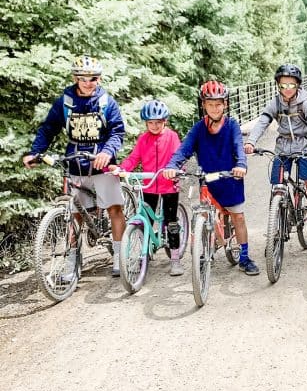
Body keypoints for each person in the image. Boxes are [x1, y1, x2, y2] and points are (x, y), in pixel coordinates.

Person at [22, 55, 126, 278]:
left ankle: (119, 257)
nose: (89, 83)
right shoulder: (65, 102)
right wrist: (35, 151)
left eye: (94, 78)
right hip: (75, 164)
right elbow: (48, 128)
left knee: (114, 209)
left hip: (102, 165)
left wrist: (107, 152)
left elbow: (117, 131)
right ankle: (71, 265)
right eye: (83, 78)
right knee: (74, 215)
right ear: (75, 78)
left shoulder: (107, 102)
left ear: (99, 78)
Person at [163, 81, 259, 276]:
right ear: (203, 105)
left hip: (230, 178)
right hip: (208, 180)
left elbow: (239, 147)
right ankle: (206, 248)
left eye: (219, 104)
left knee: (237, 216)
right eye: (210, 104)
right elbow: (184, 150)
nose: (215, 108)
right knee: (205, 214)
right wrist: (173, 166)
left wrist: (241, 165)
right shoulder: (198, 129)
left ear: (225, 104)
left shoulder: (232, 126)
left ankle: (245, 257)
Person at [243, 63, 307, 253]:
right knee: (276, 187)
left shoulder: (305, 102)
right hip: (282, 147)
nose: (287, 89)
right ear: (278, 85)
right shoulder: (276, 102)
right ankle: (275, 231)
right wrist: (251, 142)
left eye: (291, 85)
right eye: (283, 85)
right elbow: (263, 121)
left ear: (298, 85)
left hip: (304, 146)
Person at [112, 100, 183, 276]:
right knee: (145, 220)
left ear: (164, 121)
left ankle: (175, 259)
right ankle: (145, 253)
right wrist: (122, 169)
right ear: (146, 123)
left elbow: (178, 156)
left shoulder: (171, 136)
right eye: (150, 123)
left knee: (171, 221)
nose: (154, 126)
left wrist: (175, 170)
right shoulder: (143, 138)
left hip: (168, 185)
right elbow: (134, 158)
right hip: (149, 185)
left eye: (158, 122)